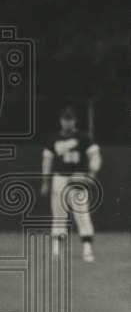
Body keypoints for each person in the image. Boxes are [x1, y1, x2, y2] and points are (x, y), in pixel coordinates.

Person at [41, 106, 102, 262]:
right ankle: (57, 246)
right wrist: (45, 181)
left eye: (70, 120)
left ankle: (87, 248)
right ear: (61, 121)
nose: (67, 123)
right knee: (59, 212)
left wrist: (92, 174)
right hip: (59, 177)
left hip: (77, 177)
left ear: (74, 121)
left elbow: (95, 156)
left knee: (81, 212)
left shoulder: (83, 138)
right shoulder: (54, 139)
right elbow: (47, 160)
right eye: (65, 120)